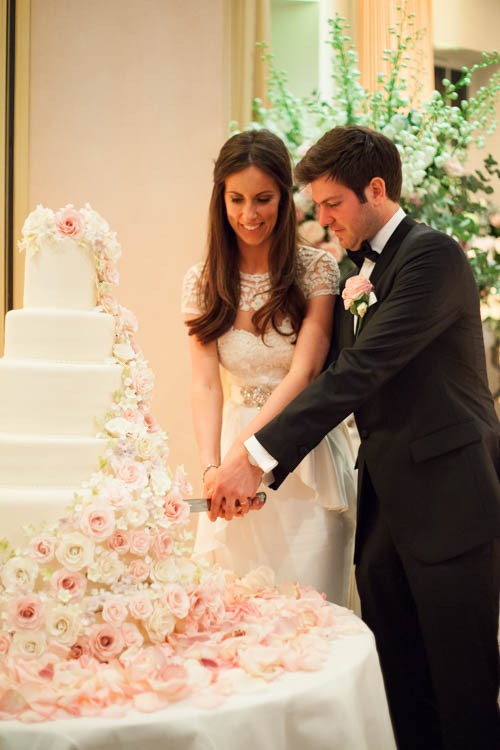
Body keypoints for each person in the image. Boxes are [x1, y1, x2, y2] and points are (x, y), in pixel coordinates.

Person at [209, 125, 500, 750]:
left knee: (464, 688)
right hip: (385, 507)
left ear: (376, 189)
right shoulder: (352, 272)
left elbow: (359, 372)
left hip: (450, 503)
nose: (324, 218)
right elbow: (325, 371)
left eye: (333, 203)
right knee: (399, 684)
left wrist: (254, 459)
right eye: (317, 205)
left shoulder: (433, 257)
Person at [181, 129, 357, 606]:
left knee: (311, 608)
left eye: (263, 199)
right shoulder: (201, 281)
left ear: (284, 196)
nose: (249, 215)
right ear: (220, 198)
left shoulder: (316, 269)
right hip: (230, 457)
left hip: (303, 455)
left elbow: (304, 373)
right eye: (236, 199)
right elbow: (205, 385)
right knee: (234, 608)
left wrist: (246, 456)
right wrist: (213, 467)